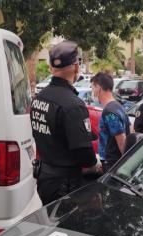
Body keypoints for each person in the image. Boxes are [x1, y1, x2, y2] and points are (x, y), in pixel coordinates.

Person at [30, 41, 98, 205]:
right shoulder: (73, 105)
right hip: (65, 186)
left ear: (52, 68)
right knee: (68, 229)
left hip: (45, 180)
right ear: (76, 67)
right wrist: (95, 163)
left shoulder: (40, 98)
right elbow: (84, 153)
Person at [91, 72, 131, 172]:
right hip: (111, 163)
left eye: (92, 88)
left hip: (113, 164)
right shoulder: (118, 106)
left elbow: (122, 141)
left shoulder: (109, 111)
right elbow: (130, 129)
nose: (92, 92)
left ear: (98, 88)